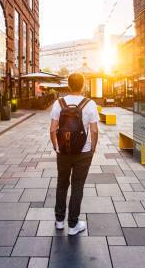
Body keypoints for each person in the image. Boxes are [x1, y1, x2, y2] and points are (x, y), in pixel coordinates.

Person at [49, 72, 99, 235]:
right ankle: (73, 225)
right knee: (78, 185)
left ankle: (59, 221)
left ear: (68, 85)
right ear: (83, 85)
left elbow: (52, 129)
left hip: (62, 151)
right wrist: (92, 148)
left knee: (62, 184)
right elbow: (94, 130)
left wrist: (56, 146)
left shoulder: (59, 103)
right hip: (83, 152)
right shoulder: (90, 104)